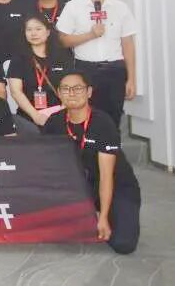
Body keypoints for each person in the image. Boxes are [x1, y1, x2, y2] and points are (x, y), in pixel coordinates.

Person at [43, 70, 140, 254]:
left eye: (78, 88)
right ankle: (84, 214)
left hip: (116, 185)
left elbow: (106, 176)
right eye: (66, 89)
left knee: (123, 244)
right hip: (81, 187)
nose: (72, 93)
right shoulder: (54, 123)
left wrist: (103, 217)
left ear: (89, 92)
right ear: (59, 93)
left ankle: (106, 213)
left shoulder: (103, 123)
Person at [57, 0, 137, 127]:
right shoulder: (73, 7)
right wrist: (90, 35)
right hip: (86, 70)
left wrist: (131, 79)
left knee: (113, 118)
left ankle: (112, 144)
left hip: (115, 70)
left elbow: (128, 45)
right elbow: (63, 40)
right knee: (86, 117)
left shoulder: (120, 7)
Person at [8, 15, 73, 132]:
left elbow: (70, 85)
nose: (33, 33)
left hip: (60, 114)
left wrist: (64, 109)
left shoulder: (62, 56)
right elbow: (16, 91)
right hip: (28, 117)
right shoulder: (18, 59)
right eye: (29, 30)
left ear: (48, 32)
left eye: (38, 29)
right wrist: (36, 116)